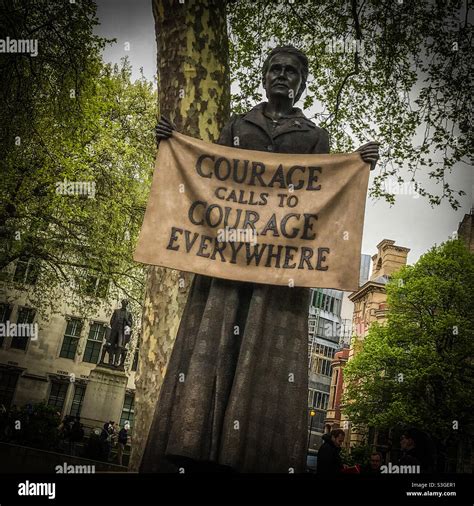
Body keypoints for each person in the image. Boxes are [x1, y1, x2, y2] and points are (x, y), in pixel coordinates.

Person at [141, 45, 380, 473]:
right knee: (214, 347)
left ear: (302, 82)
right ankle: (195, 442)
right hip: (227, 267)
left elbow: (327, 191)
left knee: (262, 351)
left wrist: (357, 165)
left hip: (279, 276)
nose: (282, 76)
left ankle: (246, 451)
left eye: (291, 71)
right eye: (275, 69)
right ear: (264, 76)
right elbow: (206, 175)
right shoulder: (237, 125)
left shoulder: (314, 137)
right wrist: (172, 142)